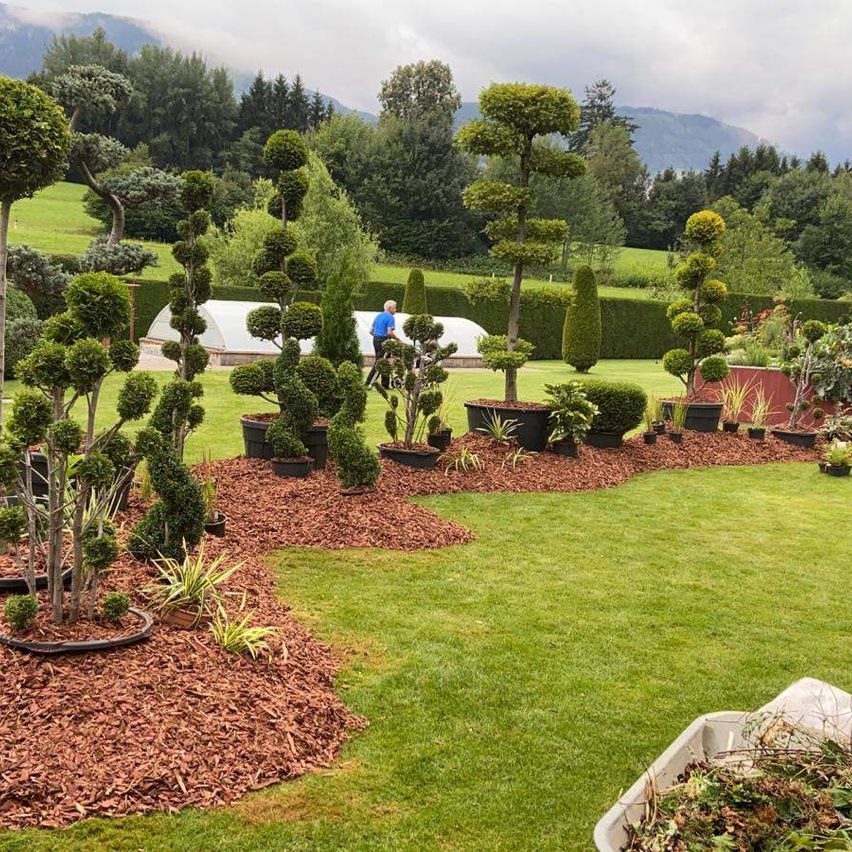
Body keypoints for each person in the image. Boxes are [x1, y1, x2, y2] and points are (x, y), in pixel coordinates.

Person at [365, 300, 398, 388]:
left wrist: (378, 336)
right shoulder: (390, 317)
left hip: (376, 339)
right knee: (380, 362)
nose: (396, 310)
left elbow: (371, 331)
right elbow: (389, 332)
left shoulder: (378, 316)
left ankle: (385, 384)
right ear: (390, 308)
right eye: (395, 308)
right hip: (384, 341)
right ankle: (368, 383)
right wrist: (398, 340)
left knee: (385, 361)